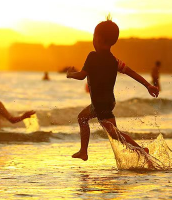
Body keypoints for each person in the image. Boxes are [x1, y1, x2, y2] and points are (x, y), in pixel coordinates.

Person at [67, 17, 160, 161]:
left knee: (115, 134)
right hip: (108, 102)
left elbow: (81, 76)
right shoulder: (114, 61)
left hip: (100, 104)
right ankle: (83, 151)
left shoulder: (92, 56)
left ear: (98, 38)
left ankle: (141, 150)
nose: (93, 39)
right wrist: (148, 85)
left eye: (93, 36)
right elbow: (132, 73)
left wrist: (70, 74)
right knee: (83, 118)